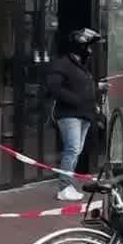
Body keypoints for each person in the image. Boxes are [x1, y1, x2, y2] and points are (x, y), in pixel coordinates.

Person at [46, 28, 102, 202]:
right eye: (88, 46)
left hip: (84, 114)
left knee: (76, 150)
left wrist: (96, 94)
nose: (91, 51)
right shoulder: (62, 64)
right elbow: (54, 87)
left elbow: (82, 87)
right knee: (72, 149)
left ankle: (68, 184)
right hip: (69, 114)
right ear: (80, 46)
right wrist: (77, 100)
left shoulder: (82, 67)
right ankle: (64, 187)